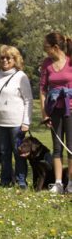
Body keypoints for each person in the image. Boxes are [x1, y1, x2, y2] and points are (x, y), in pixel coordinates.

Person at [0, 45, 32, 189]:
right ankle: (5, 179)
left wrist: (26, 121)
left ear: (15, 59)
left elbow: (28, 100)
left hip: (16, 122)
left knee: (18, 152)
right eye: (2, 57)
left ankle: (21, 181)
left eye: (8, 57)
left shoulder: (21, 76)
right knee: (4, 152)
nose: (4, 60)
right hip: (0, 121)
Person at [40, 32, 72, 194]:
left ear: (56, 47)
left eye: (47, 48)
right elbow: (43, 89)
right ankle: (58, 183)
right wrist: (45, 114)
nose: (45, 51)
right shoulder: (46, 63)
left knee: (71, 147)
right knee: (57, 148)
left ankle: (71, 183)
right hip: (54, 110)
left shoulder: (70, 61)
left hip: (70, 109)